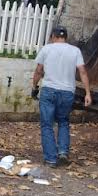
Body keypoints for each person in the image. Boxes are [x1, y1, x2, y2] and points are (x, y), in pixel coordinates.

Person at [31, 26, 92, 167]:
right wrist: (88, 93)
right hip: (67, 92)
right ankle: (63, 152)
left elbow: (39, 71)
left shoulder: (46, 49)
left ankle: (51, 159)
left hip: (49, 91)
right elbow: (82, 72)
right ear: (66, 37)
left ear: (53, 36)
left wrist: (34, 86)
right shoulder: (75, 51)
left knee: (47, 125)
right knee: (63, 121)